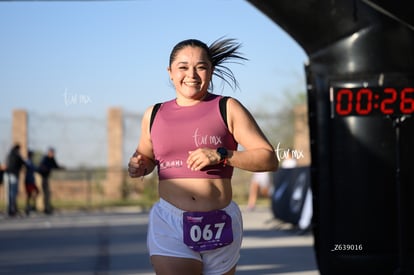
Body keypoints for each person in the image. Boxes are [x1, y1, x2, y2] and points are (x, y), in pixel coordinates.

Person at [128, 38, 278, 275]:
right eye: (183, 67)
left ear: (211, 71)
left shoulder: (227, 107)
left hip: (221, 221)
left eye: (201, 67)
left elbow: (269, 159)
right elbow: (145, 158)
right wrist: (138, 166)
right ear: (170, 72)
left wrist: (222, 155)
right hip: (170, 221)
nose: (192, 74)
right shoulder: (154, 114)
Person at [38, 147, 62, 215]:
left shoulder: (51, 159)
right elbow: (41, 168)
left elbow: (55, 166)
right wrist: (47, 169)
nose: (53, 154)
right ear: (49, 152)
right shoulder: (45, 159)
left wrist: (61, 168)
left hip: (47, 177)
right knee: (46, 194)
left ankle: (48, 208)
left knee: (47, 194)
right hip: (43, 178)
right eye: (52, 153)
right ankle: (46, 208)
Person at [5, 144, 26, 216]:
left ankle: (10, 209)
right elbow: (23, 163)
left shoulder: (9, 155)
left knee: (9, 194)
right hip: (13, 175)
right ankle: (12, 209)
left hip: (7, 175)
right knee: (13, 193)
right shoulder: (16, 155)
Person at [24, 150, 39, 215]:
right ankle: (29, 207)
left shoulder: (29, 162)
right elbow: (34, 168)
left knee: (33, 193)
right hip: (29, 180)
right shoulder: (28, 162)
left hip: (31, 180)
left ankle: (30, 206)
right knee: (30, 194)